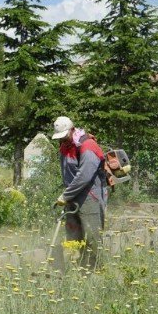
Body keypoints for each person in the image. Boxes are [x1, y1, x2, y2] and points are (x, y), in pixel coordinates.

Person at [51, 116, 107, 271]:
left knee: (91, 235)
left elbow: (84, 176)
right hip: (72, 195)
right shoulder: (64, 146)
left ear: (72, 130)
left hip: (90, 195)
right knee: (72, 233)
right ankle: (74, 269)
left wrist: (66, 195)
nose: (62, 140)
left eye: (64, 136)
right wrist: (68, 195)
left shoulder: (88, 146)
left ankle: (96, 270)